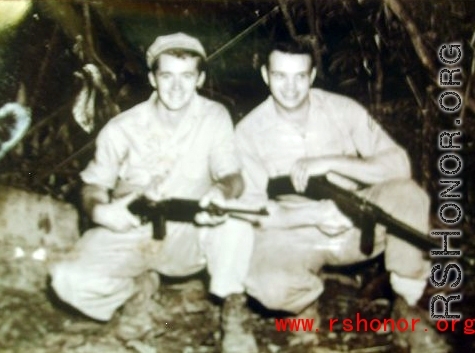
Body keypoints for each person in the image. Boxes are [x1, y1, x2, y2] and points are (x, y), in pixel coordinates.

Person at [235, 39, 449, 351]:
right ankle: (302, 310)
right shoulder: (248, 133)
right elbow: (251, 209)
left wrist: (331, 162)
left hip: (357, 221)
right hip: (296, 232)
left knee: (407, 194)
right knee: (268, 283)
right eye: (280, 76)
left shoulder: (342, 110)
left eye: (299, 76)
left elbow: (398, 164)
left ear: (311, 76)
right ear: (266, 76)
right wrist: (311, 215)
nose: (291, 87)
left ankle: (407, 306)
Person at [49, 32, 257, 353]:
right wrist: (99, 210)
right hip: (135, 230)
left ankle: (233, 310)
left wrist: (221, 191)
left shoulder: (214, 116)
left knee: (236, 222)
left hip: (192, 229)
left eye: (186, 76)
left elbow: (233, 175)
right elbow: (93, 185)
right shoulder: (122, 128)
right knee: (67, 278)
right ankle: (137, 293)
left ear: (199, 78)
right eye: (167, 75)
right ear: (152, 78)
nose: (176, 87)